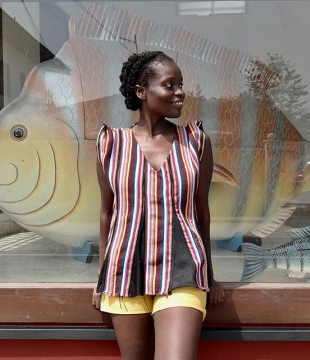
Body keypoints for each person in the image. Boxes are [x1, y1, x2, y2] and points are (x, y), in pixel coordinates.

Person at [92, 50, 225, 360]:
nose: (180, 93)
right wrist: (102, 277)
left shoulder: (195, 142)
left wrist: (211, 275)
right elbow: (106, 213)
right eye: (170, 85)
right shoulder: (110, 144)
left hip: (182, 271)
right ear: (142, 92)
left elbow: (202, 211)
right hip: (124, 273)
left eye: (181, 85)